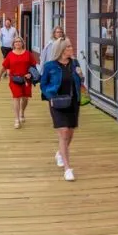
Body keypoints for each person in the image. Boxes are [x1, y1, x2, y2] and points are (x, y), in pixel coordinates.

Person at [40, 38, 84, 181]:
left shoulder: (74, 64)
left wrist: (81, 75)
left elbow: (79, 81)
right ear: (62, 49)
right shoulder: (49, 66)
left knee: (70, 133)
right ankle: (67, 169)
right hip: (57, 102)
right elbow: (43, 84)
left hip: (73, 102)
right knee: (64, 132)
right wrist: (50, 96)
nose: (72, 48)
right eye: (69, 47)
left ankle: (60, 152)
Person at [0, 36, 36, 128]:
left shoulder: (28, 54)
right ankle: (17, 119)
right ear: (13, 44)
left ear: (22, 43)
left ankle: (22, 112)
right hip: (14, 79)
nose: (18, 43)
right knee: (16, 97)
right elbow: (4, 67)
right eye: (16, 42)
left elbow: (33, 66)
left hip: (26, 79)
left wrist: (30, 73)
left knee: (25, 98)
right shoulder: (10, 54)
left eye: (19, 41)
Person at [39, 26, 65, 96]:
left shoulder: (65, 43)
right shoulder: (51, 44)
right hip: (53, 68)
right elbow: (48, 57)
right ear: (54, 34)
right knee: (52, 88)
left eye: (60, 32)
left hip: (63, 67)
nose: (59, 34)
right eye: (57, 32)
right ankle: (53, 104)